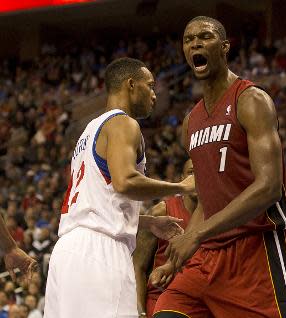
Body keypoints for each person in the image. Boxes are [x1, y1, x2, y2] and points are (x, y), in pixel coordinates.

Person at [152, 16, 286, 317]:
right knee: (166, 311)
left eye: (205, 37)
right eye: (188, 39)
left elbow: (269, 187)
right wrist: (176, 260)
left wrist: (195, 235)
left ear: (224, 47)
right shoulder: (190, 122)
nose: (195, 43)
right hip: (208, 257)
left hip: (257, 250)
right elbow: (206, 201)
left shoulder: (251, 100)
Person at [43, 57, 194, 318]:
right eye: (150, 86)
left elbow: (99, 198)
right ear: (131, 85)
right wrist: (181, 186)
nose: (154, 95)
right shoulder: (124, 124)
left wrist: (144, 222)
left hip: (67, 252)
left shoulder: (88, 130)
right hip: (100, 254)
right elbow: (125, 182)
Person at [133, 159, 196, 317]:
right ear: (181, 178)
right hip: (160, 301)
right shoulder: (162, 211)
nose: (196, 178)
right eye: (191, 172)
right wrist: (140, 313)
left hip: (197, 301)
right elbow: (137, 267)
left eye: (200, 171)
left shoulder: (217, 213)